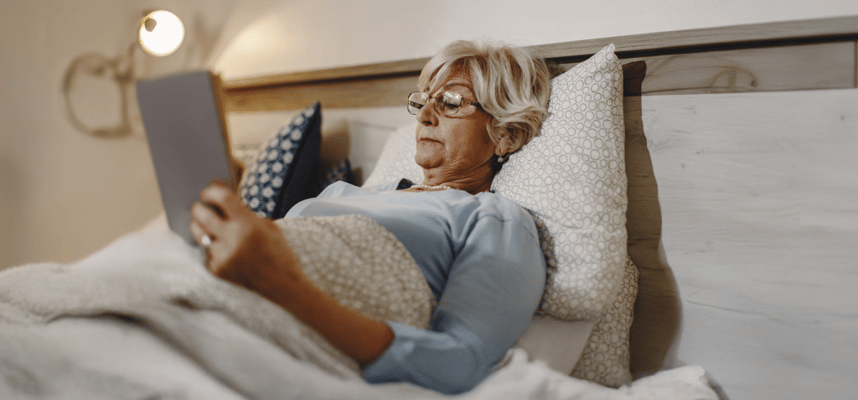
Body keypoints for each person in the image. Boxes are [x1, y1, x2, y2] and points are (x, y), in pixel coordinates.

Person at [189, 39, 552, 394]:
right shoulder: (346, 192)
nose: (425, 116)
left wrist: (277, 284)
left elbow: (460, 360)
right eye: (424, 101)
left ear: (506, 134)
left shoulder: (494, 218)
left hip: (271, 326)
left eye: (450, 103)